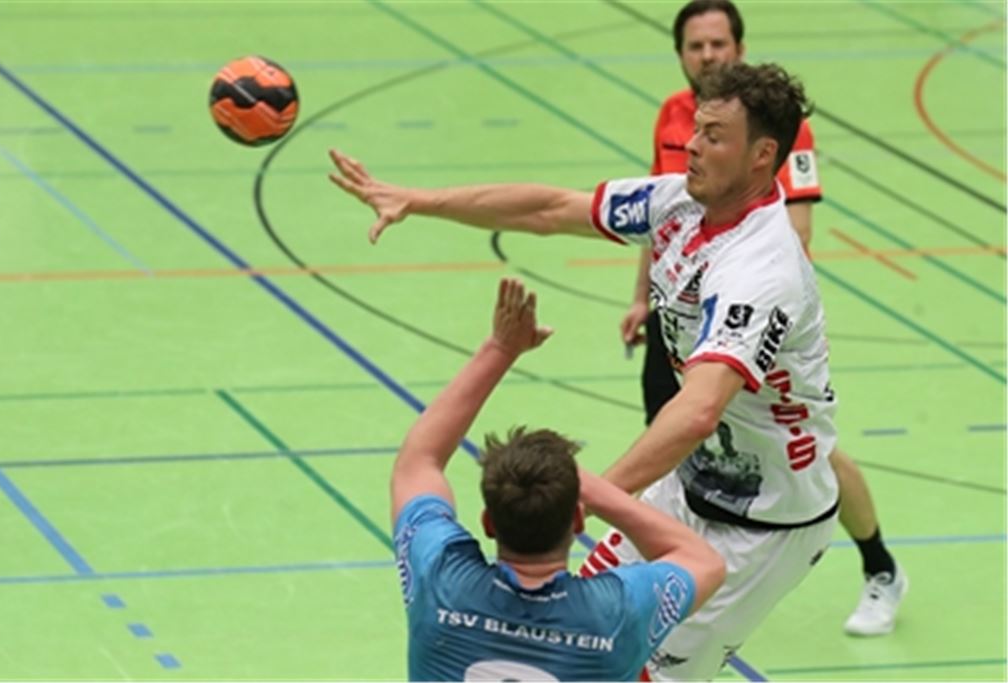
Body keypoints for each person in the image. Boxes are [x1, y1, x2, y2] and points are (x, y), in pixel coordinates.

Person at [330, 61, 844, 679]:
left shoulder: (761, 270)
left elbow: (699, 409)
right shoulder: (679, 200)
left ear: (762, 155)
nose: (692, 145)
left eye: (713, 136)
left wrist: (588, 495)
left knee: (634, 669)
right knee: (575, 640)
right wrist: (419, 201)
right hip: (687, 489)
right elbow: (550, 209)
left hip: (763, 525)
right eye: (696, 128)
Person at [617, 0, 905, 639]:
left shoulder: (782, 132)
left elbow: (795, 232)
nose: (708, 56)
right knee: (677, 450)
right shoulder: (676, 117)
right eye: (695, 46)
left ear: (739, 49)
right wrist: (645, 296)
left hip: (748, 321)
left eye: (719, 44)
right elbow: (664, 217)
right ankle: (683, 583)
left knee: (813, 456)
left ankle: (879, 565)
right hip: (681, 314)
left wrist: (743, 308)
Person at [389, 276, 725, 681]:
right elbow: (701, 560)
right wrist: (593, 487)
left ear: (489, 523)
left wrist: (500, 348)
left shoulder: (440, 579)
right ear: (578, 521)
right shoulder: (615, 612)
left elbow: (418, 462)